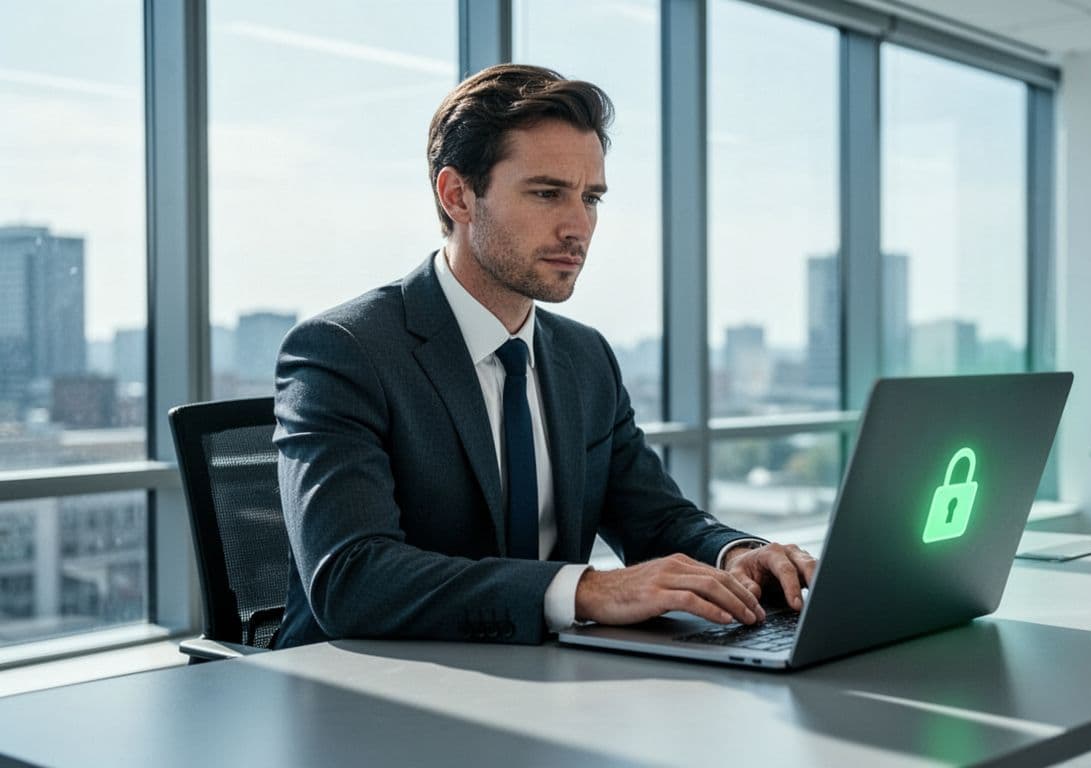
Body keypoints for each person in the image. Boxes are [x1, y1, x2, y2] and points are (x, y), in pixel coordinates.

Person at [271, 64, 817, 649]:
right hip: (363, 699)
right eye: (547, 193)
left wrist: (737, 553)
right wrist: (585, 591)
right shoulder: (343, 352)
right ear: (458, 195)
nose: (579, 227)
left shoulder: (585, 358)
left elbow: (655, 520)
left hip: (543, 685)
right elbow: (352, 579)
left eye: (591, 198)